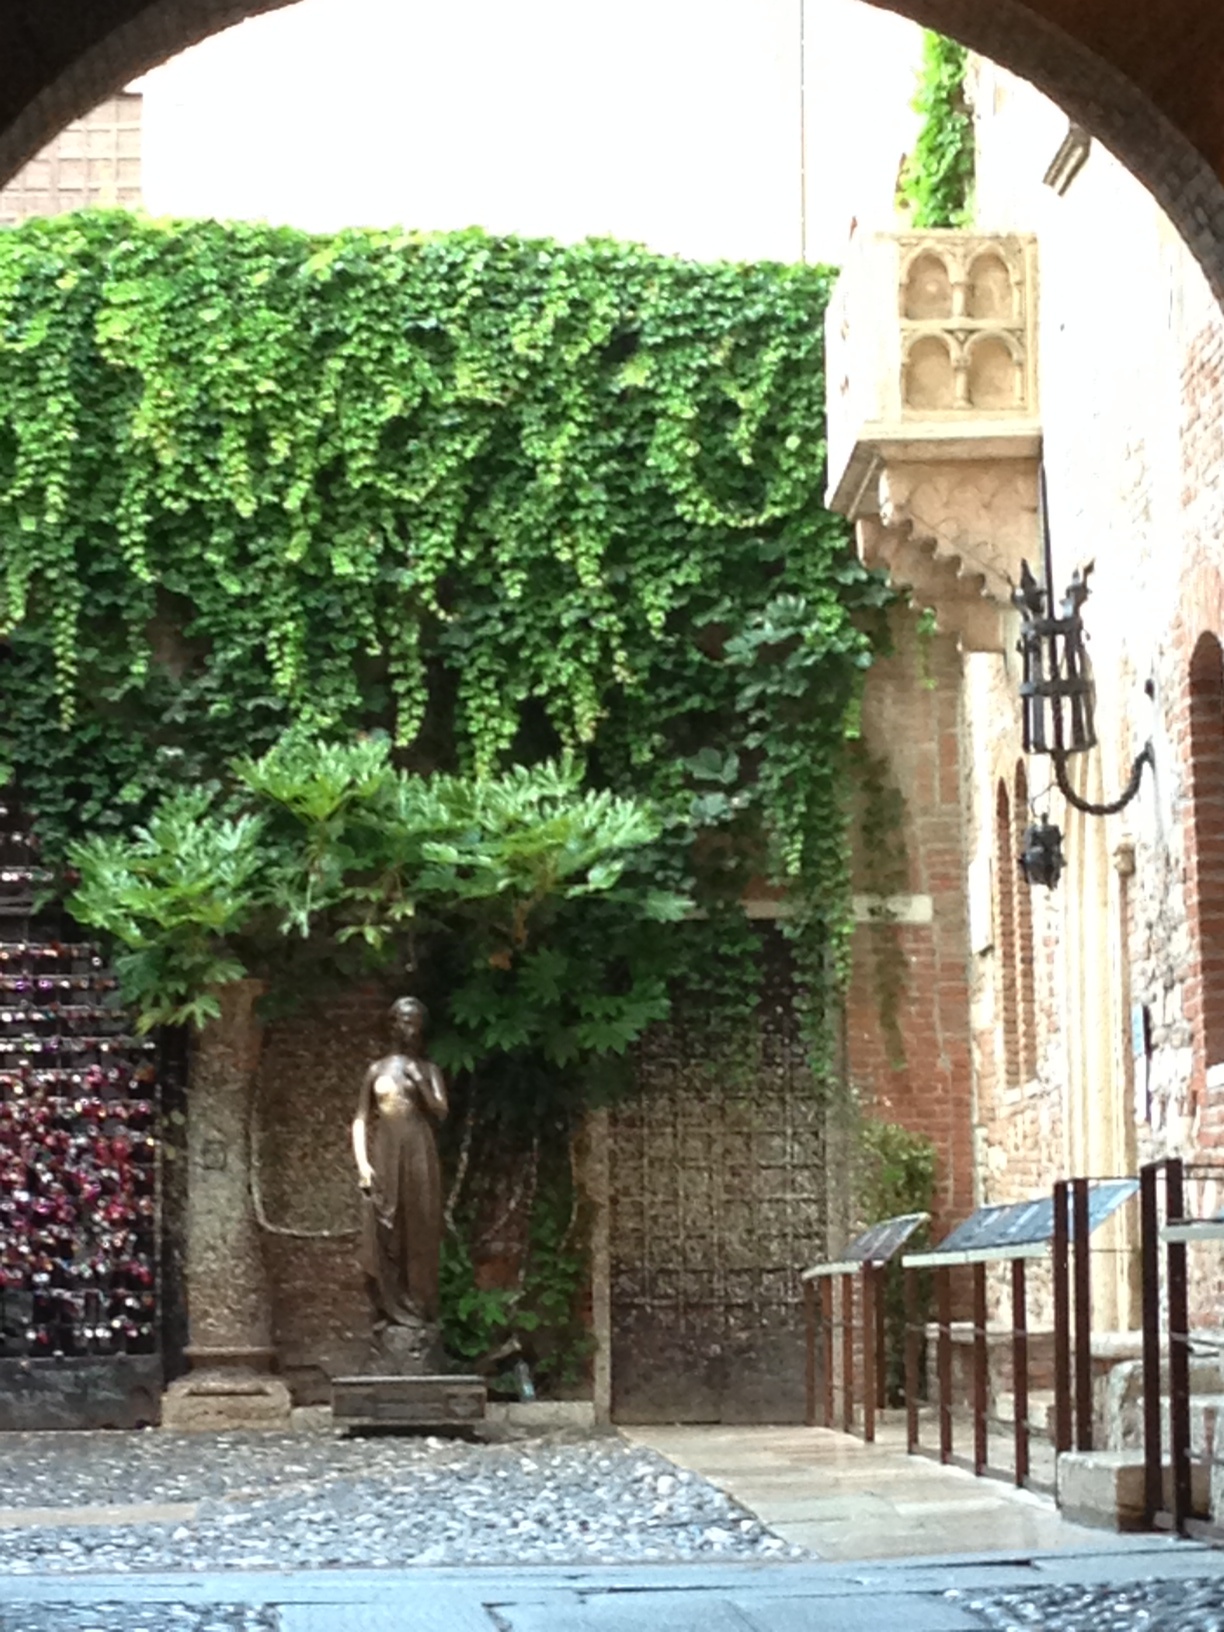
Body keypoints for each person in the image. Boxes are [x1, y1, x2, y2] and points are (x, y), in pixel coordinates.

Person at [351, 996, 448, 1328]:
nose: (411, 1029)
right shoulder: (376, 1070)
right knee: (384, 1225)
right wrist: (363, 1163)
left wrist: (419, 1081)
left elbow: (440, 1110)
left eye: (416, 1023)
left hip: (418, 1148)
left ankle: (419, 1303)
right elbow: (361, 1118)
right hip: (385, 1151)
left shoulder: (428, 1069)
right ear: (393, 1025)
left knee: (419, 1223)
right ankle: (387, 1305)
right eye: (405, 1021)